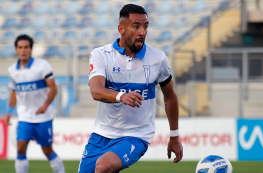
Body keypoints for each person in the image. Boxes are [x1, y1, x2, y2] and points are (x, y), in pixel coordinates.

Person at [78, 4, 183, 173]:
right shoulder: (100, 55)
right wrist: (121, 96)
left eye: (145, 26)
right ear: (121, 29)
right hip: (101, 135)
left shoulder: (158, 58)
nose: (142, 32)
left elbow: (170, 96)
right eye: (136, 26)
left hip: (136, 136)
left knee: (104, 166)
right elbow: (95, 90)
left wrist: (174, 136)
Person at [5, 35, 65, 173]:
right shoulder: (12, 70)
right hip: (25, 117)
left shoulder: (42, 66)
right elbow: (14, 92)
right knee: (20, 148)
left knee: (47, 150)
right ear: (16, 50)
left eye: (26, 47)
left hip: (43, 118)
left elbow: (53, 89)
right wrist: (9, 111)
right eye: (20, 47)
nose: (23, 50)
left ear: (31, 49)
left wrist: (44, 106)